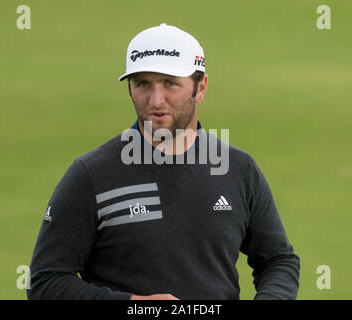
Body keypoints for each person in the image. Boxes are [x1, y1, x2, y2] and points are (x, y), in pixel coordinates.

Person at [27, 23, 300, 300]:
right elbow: (46, 282)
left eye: (170, 83)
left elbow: (278, 260)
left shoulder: (239, 168)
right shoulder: (91, 175)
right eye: (143, 83)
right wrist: (136, 305)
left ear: (200, 87)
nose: (156, 100)